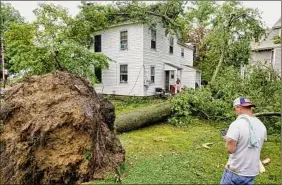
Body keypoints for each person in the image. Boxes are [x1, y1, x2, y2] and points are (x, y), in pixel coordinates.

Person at [220, 97, 267, 185]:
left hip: (235, 171)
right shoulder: (262, 126)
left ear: (239, 107)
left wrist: (227, 140)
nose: (235, 112)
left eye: (234, 109)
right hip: (251, 173)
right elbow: (258, 148)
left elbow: (230, 150)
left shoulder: (237, 124)